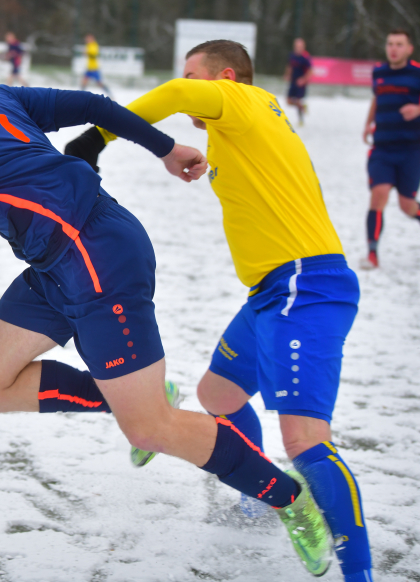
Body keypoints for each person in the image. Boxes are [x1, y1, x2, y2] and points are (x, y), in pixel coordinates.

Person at [0, 20, 331, 578]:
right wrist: (164, 148)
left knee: (149, 428)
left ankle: (288, 498)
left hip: (97, 260)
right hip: (58, 261)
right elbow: (96, 106)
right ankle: (134, 393)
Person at [65, 40, 372, 581]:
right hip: (270, 295)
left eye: (195, 79)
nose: (186, 98)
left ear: (226, 79)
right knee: (217, 395)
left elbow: (181, 94)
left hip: (307, 287)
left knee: (304, 440)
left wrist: (98, 135)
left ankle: (359, 574)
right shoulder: (238, 131)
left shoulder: (247, 103)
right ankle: (260, 497)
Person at [360, 28, 420, 269]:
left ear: (409, 49)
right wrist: (368, 123)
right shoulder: (379, 71)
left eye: (399, 44)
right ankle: (372, 253)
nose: (393, 49)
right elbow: (377, 98)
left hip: (411, 149)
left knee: (406, 205)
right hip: (382, 147)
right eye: (390, 44)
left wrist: (419, 109)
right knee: (378, 195)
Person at [284, 38, 312, 125]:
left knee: (298, 100)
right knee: (288, 101)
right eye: (296, 46)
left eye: (300, 46)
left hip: (300, 84)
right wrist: (287, 75)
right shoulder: (292, 55)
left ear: (303, 47)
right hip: (293, 81)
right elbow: (290, 66)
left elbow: (310, 71)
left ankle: (301, 120)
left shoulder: (305, 57)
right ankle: (302, 107)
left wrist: (303, 80)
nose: (298, 48)